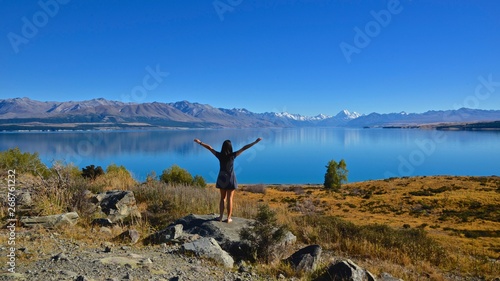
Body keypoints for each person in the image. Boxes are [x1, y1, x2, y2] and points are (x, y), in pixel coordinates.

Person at [194, 137, 262, 223]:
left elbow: (209, 148)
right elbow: (244, 148)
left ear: (223, 147)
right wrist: (255, 142)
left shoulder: (219, 155)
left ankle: (221, 217)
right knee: (230, 199)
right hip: (230, 179)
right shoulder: (232, 156)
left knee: (222, 198)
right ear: (230, 147)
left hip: (222, 179)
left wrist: (200, 142)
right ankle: (229, 218)